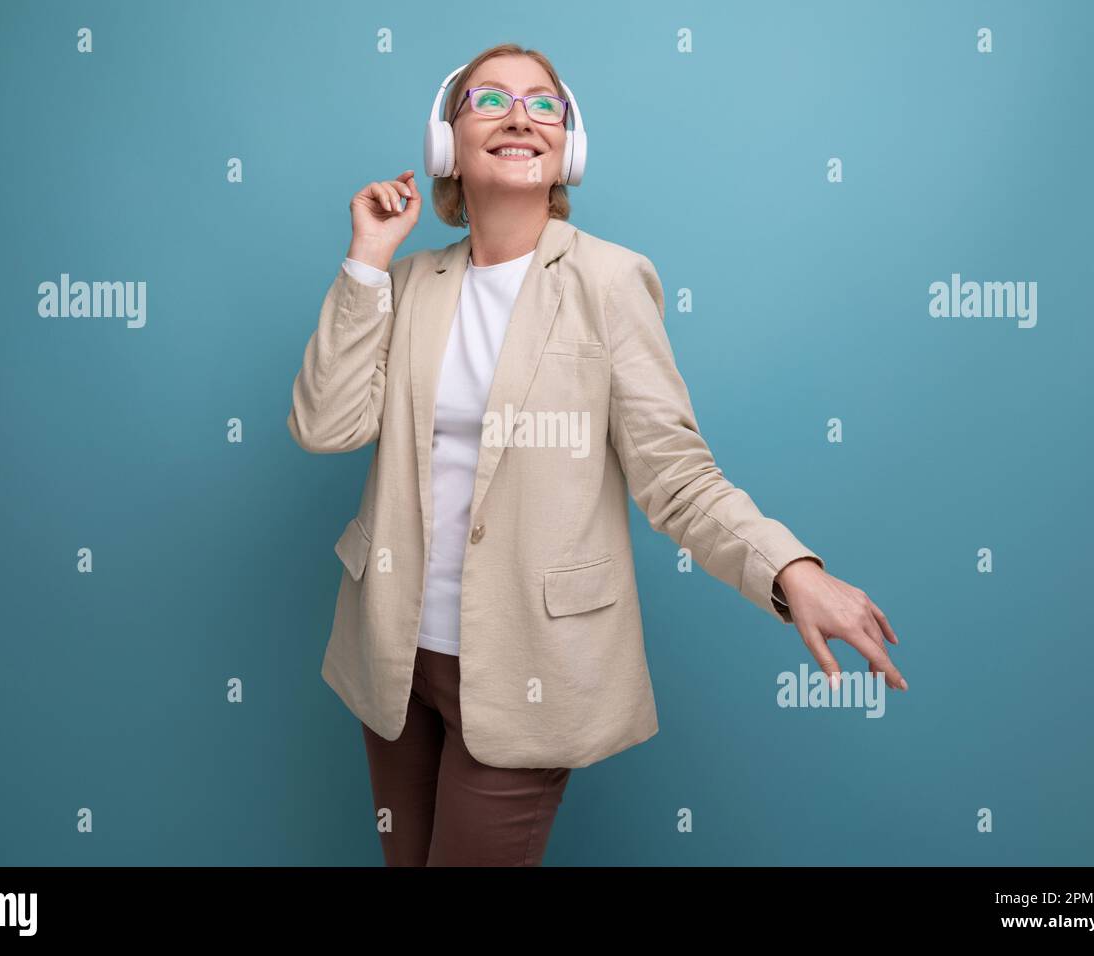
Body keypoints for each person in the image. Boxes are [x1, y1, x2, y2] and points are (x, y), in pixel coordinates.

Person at [286, 43, 907, 867]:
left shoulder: (610, 283)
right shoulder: (407, 286)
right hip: (395, 659)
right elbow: (325, 425)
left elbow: (675, 475)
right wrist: (367, 259)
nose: (519, 116)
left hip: (529, 666)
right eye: (490, 100)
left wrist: (792, 571)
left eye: (545, 105)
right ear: (447, 144)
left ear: (568, 148)